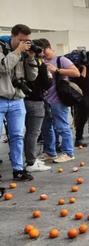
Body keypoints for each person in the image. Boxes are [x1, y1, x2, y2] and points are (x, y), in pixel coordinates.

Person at [0, 24, 39, 180]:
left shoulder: (23, 52)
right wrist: (17, 51)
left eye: (27, 40)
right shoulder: (2, 48)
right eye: (22, 40)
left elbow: (32, 77)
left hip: (17, 99)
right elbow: (3, 67)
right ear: (12, 36)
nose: (25, 43)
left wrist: (31, 58)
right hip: (1, 97)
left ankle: (18, 169)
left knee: (17, 135)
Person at [41, 38, 80, 164]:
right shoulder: (41, 61)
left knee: (62, 126)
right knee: (46, 127)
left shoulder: (60, 60)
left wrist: (57, 70)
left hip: (58, 99)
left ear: (50, 47)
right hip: (45, 100)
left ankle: (68, 152)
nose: (43, 53)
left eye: (44, 50)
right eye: (41, 52)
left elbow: (76, 73)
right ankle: (50, 152)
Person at [24, 39, 53, 172]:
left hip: (22, 99)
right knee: (33, 132)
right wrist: (50, 76)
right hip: (35, 100)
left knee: (23, 133)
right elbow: (46, 84)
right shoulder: (39, 64)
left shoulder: (22, 60)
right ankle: (31, 161)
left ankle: (22, 160)